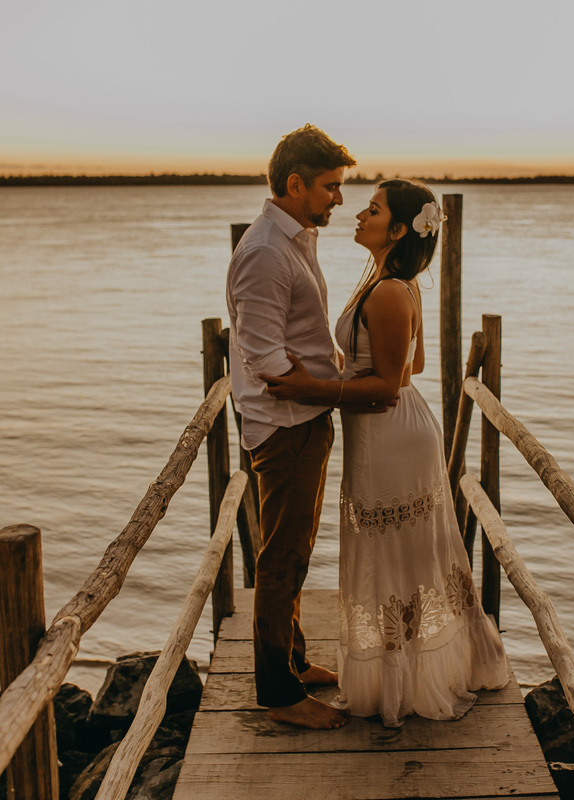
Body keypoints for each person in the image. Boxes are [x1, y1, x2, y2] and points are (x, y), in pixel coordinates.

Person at [262, 179, 510, 727]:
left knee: (396, 553)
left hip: (391, 435)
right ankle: (406, 670)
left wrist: (312, 388)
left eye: (372, 210)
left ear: (397, 229)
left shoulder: (392, 292)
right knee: (397, 552)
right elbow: (410, 365)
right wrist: (347, 370)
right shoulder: (384, 282)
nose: (358, 214)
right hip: (380, 432)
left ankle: (405, 680)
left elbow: (391, 385)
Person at [226, 124, 356, 730]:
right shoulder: (264, 252)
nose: (339, 198)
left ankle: (295, 660)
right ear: (296, 184)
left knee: (295, 549)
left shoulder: (294, 240)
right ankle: (279, 694)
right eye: (330, 187)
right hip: (285, 425)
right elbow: (263, 354)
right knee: (282, 557)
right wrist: (325, 389)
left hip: (304, 418)